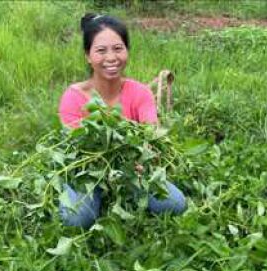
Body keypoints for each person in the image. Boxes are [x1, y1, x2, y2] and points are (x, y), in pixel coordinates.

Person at [57, 13, 186, 228]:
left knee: (175, 204)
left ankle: (124, 191)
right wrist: (110, 165)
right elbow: (78, 149)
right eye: (101, 50)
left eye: (118, 49)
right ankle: (97, 194)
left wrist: (144, 157)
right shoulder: (74, 97)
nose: (111, 58)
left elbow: (150, 134)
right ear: (88, 56)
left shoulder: (140, 92)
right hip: (90, 171)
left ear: (127, 51)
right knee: (76, 218)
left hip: (133, 170)